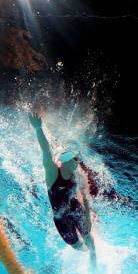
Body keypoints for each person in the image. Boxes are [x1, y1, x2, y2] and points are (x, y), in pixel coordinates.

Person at [29, 112, 96, 265]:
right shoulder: (53, 174)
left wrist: (87, 215)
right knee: (76, 246)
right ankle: (85, 251)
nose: (78, 161)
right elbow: (46, 153)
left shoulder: (76, 173)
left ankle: (93, 257)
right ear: (65, 162)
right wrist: (38, 128)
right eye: (75, 159)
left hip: (75, 209)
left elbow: (85, 195)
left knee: (88, 237)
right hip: (60, 218)